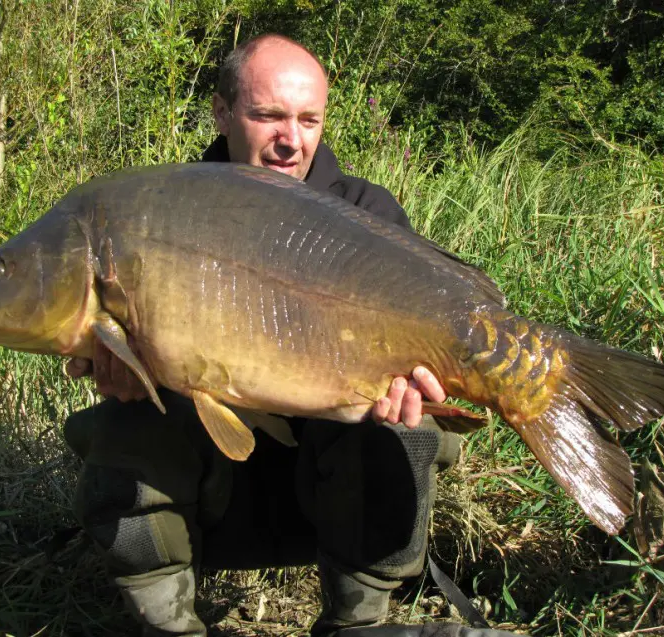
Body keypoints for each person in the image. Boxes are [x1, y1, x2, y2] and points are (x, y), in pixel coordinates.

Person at [64, 34, 519, 637]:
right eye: (268, 115)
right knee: (121, 423)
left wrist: (419, 392)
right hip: (212, 498)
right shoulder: (162, 213)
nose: (292, 139)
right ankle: (169, 623)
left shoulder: (364, 210)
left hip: (332, 495)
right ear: (222, 113)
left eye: (309, 120)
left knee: (404, 429)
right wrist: (124, 377)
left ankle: (357, 623)